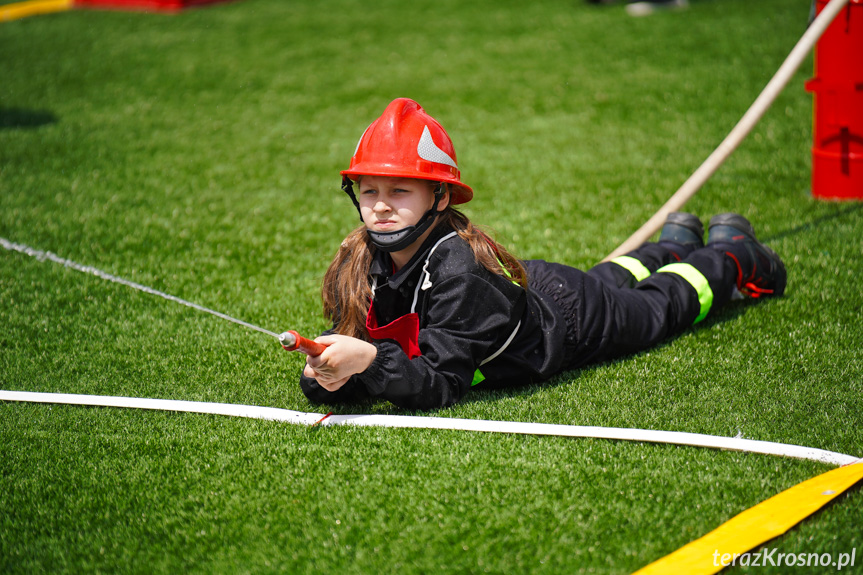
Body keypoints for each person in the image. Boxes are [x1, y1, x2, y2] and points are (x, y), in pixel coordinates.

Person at [299, 98, 786, 411]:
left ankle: (733, 254)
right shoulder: (357, 261)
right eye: (369, 190)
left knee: (662, 306)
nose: (381, 205)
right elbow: (366, 367)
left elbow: (441, 382)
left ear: (441, 198)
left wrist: (369, 360)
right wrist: (327, 372)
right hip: (538, 290)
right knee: (613, 278)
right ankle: (676, 241)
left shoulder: (458, 272)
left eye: (400, 190)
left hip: (572, 322)